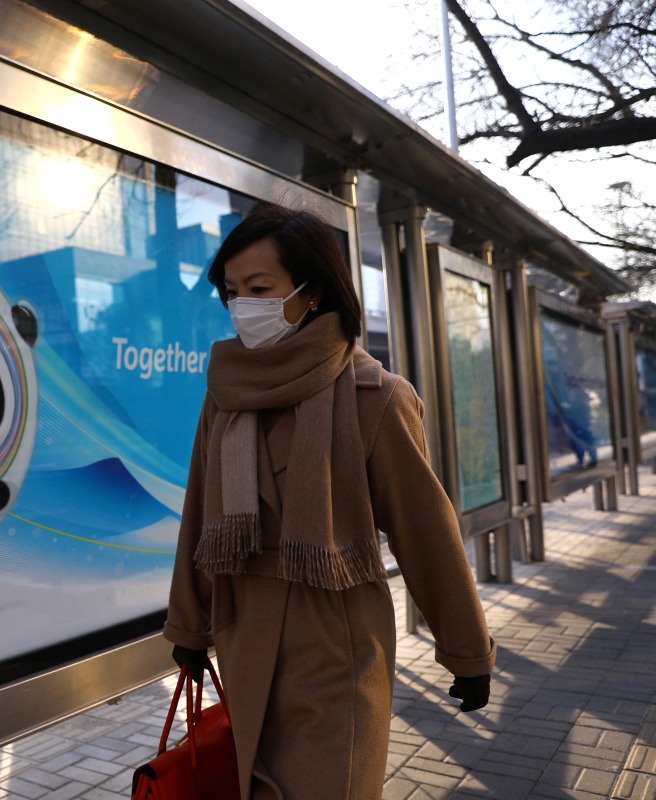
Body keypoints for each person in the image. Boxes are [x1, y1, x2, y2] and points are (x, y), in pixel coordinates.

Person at [164, 203, 495, 800]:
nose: (243, 305)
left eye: (259, 288)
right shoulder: (227, 392)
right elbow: (198, 514)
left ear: (311, 292)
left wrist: (467, 652)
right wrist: (190, 624)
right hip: (243, 637)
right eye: (232, 291)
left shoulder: (376, 396)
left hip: (334, 650)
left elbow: (427, 532)